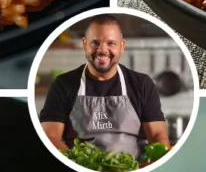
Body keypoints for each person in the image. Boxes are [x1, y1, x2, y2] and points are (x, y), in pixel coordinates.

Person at [39, 14, 170, 159]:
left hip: (129, 168)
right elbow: (50, 136)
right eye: (95, 42)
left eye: (111, 43)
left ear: (122, 46)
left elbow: (158, 134)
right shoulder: (63, 84)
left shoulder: (142, 83)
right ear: (84, 44)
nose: (102, 50)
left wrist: (157, 158)